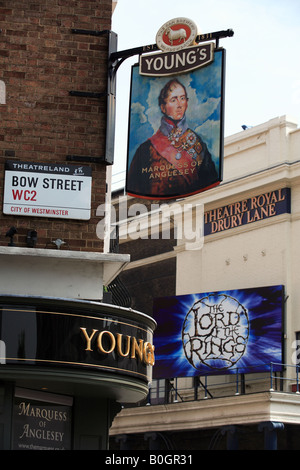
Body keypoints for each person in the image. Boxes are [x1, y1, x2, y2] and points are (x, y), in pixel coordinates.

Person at [127, 78, 218, 199]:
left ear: (187, 101)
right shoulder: (145, 149)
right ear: (163, 107)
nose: (179, 105)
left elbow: (210, 183)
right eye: (173, 100)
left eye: (182, 98)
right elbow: (135, 192)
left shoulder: (197, 143)